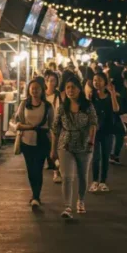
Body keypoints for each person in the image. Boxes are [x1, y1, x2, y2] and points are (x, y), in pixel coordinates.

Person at [50, 77, 97, 219]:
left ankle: (81, 201)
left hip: (84, 144)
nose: (70, 90)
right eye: (68, 87)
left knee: (82, 176)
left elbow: (94, 123)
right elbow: (55, 128)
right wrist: (53, 149)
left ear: (79, 89)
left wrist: (91, 142)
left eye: (73, 87)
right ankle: (67, 207)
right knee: (67, 177)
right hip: (65, 144)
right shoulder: (62, 107)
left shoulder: (88, 106)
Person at [13, 77, 54, 208]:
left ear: (42, 90)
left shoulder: (47, 106)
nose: (34, 90)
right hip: (26, 141)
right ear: (29, 90)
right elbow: (17, 120)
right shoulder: (24, 104)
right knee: (31, 169)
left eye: (37, 88)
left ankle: (36, 196)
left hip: (42, 141)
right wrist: (21, 126)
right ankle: (34, 193)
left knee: (38, 168)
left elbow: (52, 124)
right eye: (32, 88)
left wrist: (54, 144)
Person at [88, 72, 120, 192]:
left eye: (99, 80)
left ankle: (103, 182)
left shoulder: (109, 95)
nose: (96, 82)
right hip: (95, 130)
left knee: (105, 156)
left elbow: (116, 109)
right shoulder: (92, 95)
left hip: (108, 129)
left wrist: (112, 94)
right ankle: (95, 181)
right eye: (95, 80)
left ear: (105, 82)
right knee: (96, 156)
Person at [43, 70, 63, 183]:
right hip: (44, 126)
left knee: (56, 149)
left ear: (56, 82)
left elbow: (60, 111)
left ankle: (57, 171)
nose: (50, 83)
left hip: (56, 126)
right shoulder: (42, 95)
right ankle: (51, 164)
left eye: (53, 81)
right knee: (48, 149)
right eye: (49, 80)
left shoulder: (58, 95)